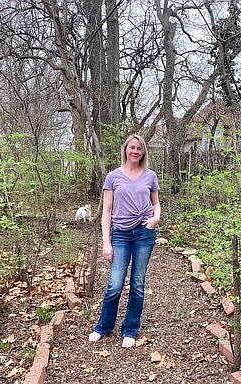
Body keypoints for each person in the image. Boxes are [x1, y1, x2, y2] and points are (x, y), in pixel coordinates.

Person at [89, 134, 161, 348]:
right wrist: (106, 242)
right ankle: (103, 326)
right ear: (126, 150)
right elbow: (107, 212)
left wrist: (155, 218)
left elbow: (156, 203)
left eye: (139, 148)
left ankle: (130, 329)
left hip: (144, 234)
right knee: (115, 284)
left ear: (143, 152)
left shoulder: (150, 176)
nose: (136, 151)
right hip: (120, 233)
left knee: (138, 283)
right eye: (132, 147)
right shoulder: (113, 176)